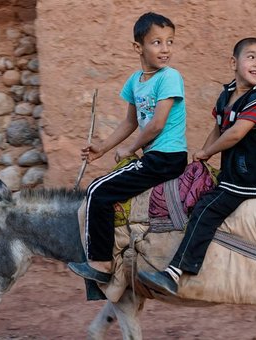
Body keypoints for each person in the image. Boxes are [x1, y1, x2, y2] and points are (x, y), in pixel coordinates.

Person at [138, 37, 256, 295]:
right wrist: (202, 158)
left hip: (251, 178)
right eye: (251, 57)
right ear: (233, 63)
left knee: (207, 208)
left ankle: (176, 271)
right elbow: (218, 129)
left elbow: (235, 134)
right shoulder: (226, 94)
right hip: (231, 173)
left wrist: (207, 151)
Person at [68, 12, 188, 284]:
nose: (165, 48)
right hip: (155, 156)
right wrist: (102, 147)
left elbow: (157, 124)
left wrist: (129, 149)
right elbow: (130, 121)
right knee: (104, 189)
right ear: (138, 47)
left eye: (170, 42)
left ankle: (101, 265)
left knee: (98, 190)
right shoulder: (135, 81)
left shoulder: (170, 77)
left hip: (167, 157)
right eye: (157, 42)